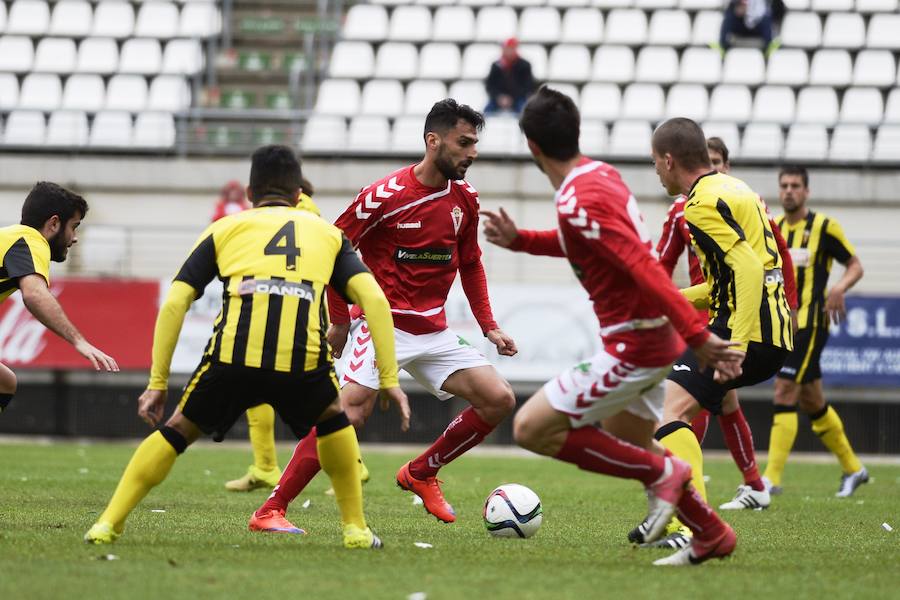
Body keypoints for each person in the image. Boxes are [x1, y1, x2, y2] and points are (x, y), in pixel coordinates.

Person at [84, 146, 406, 550]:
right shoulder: (327, 234)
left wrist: (157, 382)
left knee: (177, 431)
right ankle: (355, 530)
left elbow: (175, 302)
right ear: (297, 194)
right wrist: (390, 378)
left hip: (233, 357)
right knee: (332, 422)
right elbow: (374, 301)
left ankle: (107, 524)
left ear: (251, 192)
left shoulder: (225, 228)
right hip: (301, 361)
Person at [481, 87, 742, 566]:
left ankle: (665, 477)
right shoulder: (600, 176)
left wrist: (699, 336)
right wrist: (520, 242)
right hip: (646, 338)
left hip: (636, 343)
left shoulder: (577, 196)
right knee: (633, 441)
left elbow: (642, 267)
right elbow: (584, 240)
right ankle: (711, 533)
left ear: (533, 147)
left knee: (530, 428)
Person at [247, 99, 517, 533]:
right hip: (379, 324)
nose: (472, 153)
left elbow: (471, 263)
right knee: (350, 412)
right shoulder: (383, 198)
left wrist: (490, 326)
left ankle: (422, 472)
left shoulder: (464, 199)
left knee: (499, 398)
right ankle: (270, 510)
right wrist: (338, 319)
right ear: (433, 141)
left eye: (475, 144)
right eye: (464, 143)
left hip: (432, 329)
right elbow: (332, 249)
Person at [646, 118, 794, 560]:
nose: (655, 170)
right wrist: (666, 299)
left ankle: (693, 526)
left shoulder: (699, 206)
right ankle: (686, 523)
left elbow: (747, 270)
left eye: (655, 162)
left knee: (668, 412)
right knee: (678, 409)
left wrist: (739, 345)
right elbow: (726, 283)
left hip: (746, 332)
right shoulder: (738, 190)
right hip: (775, 329)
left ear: (670, 161)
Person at [763, 166, 868, 498]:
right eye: (784, 186)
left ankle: (770, 479)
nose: (789, 191)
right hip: (785, 325)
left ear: (806, 191)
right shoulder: (774, 228)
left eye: (795, 185)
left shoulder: (824, 227)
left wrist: (839, 287)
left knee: (783, 389)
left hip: (811, 323)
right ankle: (854, 469)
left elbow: (855, 265)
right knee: (812, 400)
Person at [224, 176, 326, 492]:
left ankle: (348, 465)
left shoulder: (287, 210)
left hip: (288, 311)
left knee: (312, 397)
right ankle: (265, 465)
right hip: (292, 308)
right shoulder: (308, 209)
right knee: (265, 389)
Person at [0, 182, 119, 414]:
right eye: (74, 227)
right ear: (54, 223)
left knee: (5, 383)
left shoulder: (12, 238)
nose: (74, 238)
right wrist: (79, 341)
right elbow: (34, 293)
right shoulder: (32, 241)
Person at [485, 38, 535, 114]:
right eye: (507, 48)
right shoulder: (496, 65)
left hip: (518, 99)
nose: (509, 51)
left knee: (524, 113)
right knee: (486, 113)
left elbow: (528, 86)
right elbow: (490, 86)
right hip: (498, 99)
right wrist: (499, 97)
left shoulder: (525, 65)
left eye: (511, 48)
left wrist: (512, 99)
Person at [715, 0, 779, 57]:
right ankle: (722, 47)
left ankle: (768, 49)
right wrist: (738, 9)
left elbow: (776, 10)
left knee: (766, 19)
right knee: (728, 18)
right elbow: (730, 9)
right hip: (741, 25)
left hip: (758, 27)